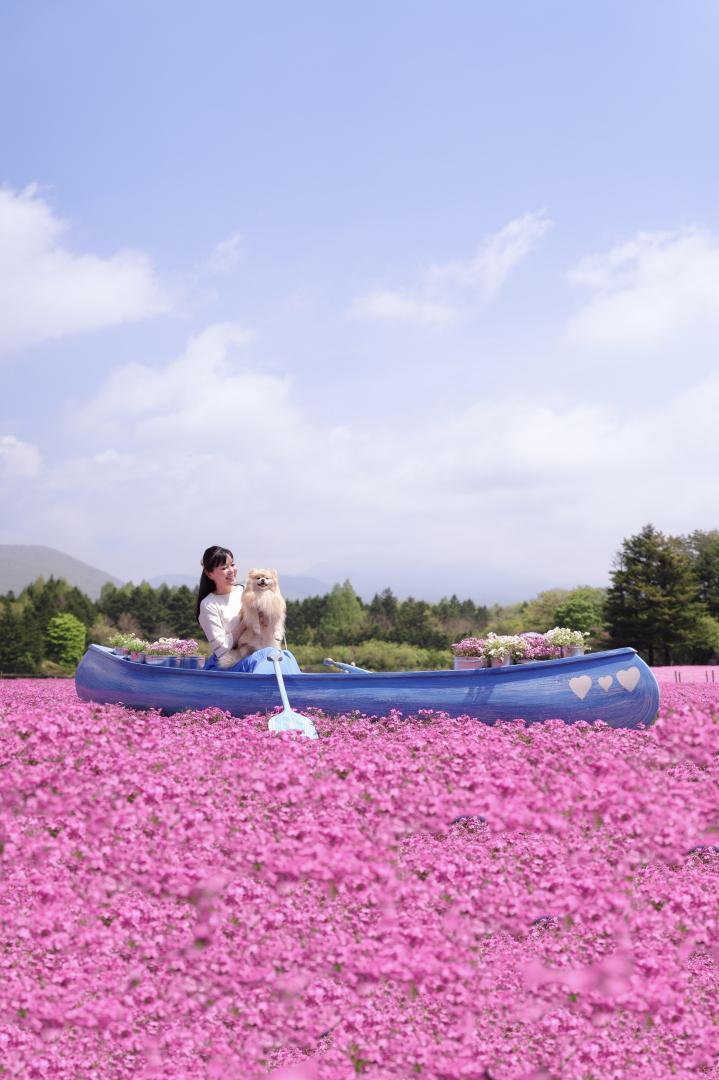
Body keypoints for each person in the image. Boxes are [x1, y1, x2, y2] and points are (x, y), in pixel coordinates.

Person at [196, 545, 300, 674]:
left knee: (284, 658)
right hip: (234, 664)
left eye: (232, 565)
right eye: (224, 568)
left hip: (263, 652)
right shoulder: (209, 604)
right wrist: (246, 622)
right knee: (268, 660)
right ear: (209, 573)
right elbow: (221, 650)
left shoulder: (247, 589)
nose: (231, 570)